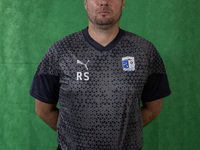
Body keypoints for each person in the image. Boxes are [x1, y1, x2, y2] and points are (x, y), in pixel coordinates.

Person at [29, 0, 171, 150]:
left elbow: (153, 109)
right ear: (85, 3)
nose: (104, 2)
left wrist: (125, 133)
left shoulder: (145, 51)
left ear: (123, 3)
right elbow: (43, 110)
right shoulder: (61, 51)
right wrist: (73, 136)